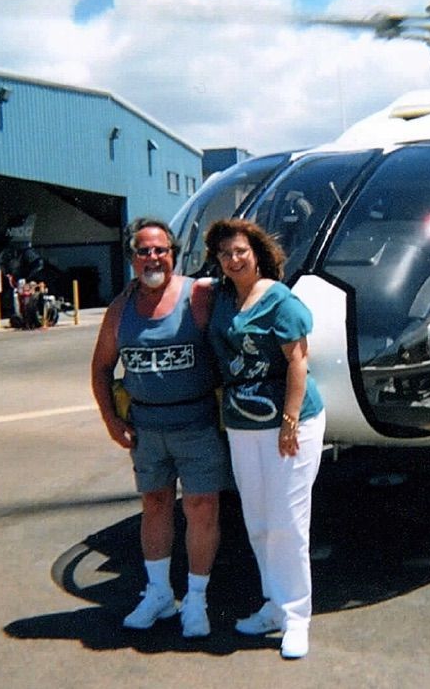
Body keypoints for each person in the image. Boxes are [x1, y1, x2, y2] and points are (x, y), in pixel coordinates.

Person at [90, 217, 231, 638]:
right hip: (147, 429)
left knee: (201, 507)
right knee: (154, 504)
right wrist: (111, 419)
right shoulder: (120, 310)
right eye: (143, 251)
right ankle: (158, 594)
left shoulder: (199, 296)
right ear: (132, 258)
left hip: (197, 424)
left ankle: (197, 599)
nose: (152, 258)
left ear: (173, 254)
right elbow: (101, 367)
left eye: (160, 250)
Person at [203, 218, 326, 660]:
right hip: (243, 424)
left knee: (288, 522)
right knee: (258, 521)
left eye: (240, 251)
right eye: (224, 254)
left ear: (257, 253)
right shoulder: (222, 298)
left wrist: (290, 420)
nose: (233, 259)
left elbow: (298, 362)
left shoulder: (280, 299)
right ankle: (274, 605)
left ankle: (297, 617)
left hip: (289, 425)